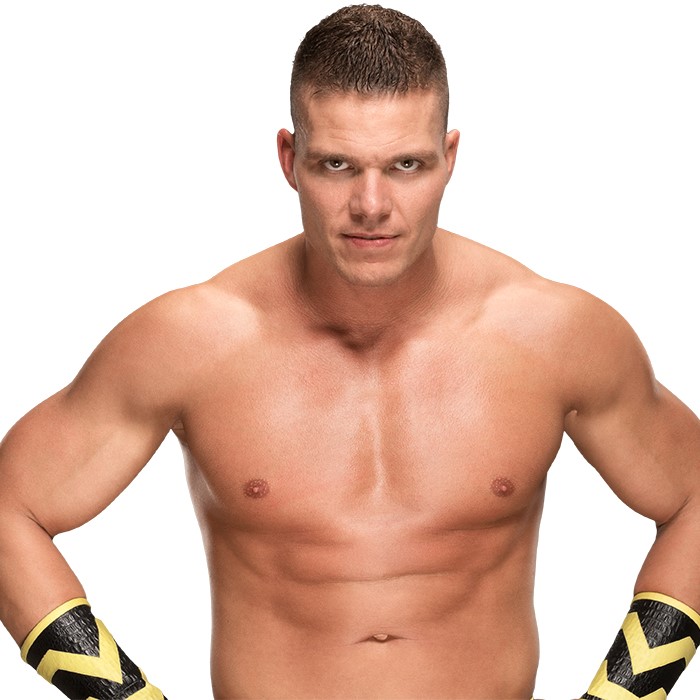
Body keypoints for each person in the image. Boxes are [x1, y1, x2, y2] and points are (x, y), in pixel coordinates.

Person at [1, 4, 699, 698]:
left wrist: (624, 695)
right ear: (289, 159)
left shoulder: (552, 333)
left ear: (449, 159)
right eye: (337, 164)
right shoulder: (193, 340)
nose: (371, 204)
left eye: (406, 165)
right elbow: (11, 509)